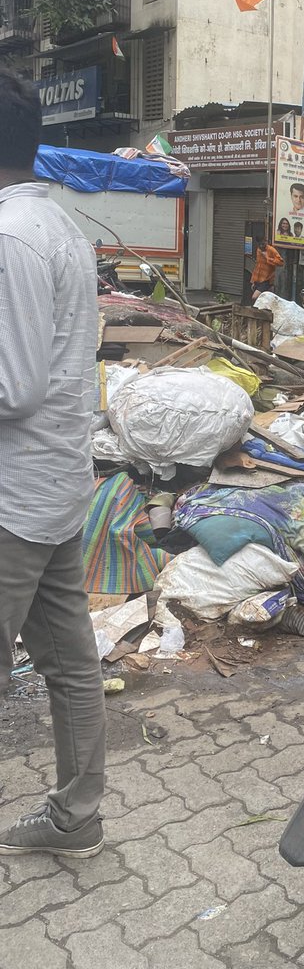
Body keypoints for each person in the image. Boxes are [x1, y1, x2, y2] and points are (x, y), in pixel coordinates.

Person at [0, 71, 105, 858]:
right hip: (56, 486)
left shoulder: (10, 237)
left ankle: (76, 819)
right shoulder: (59, 225)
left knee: (68, 664)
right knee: (71, 665)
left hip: (11, 500)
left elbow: (15, 387)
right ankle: (77, 818)